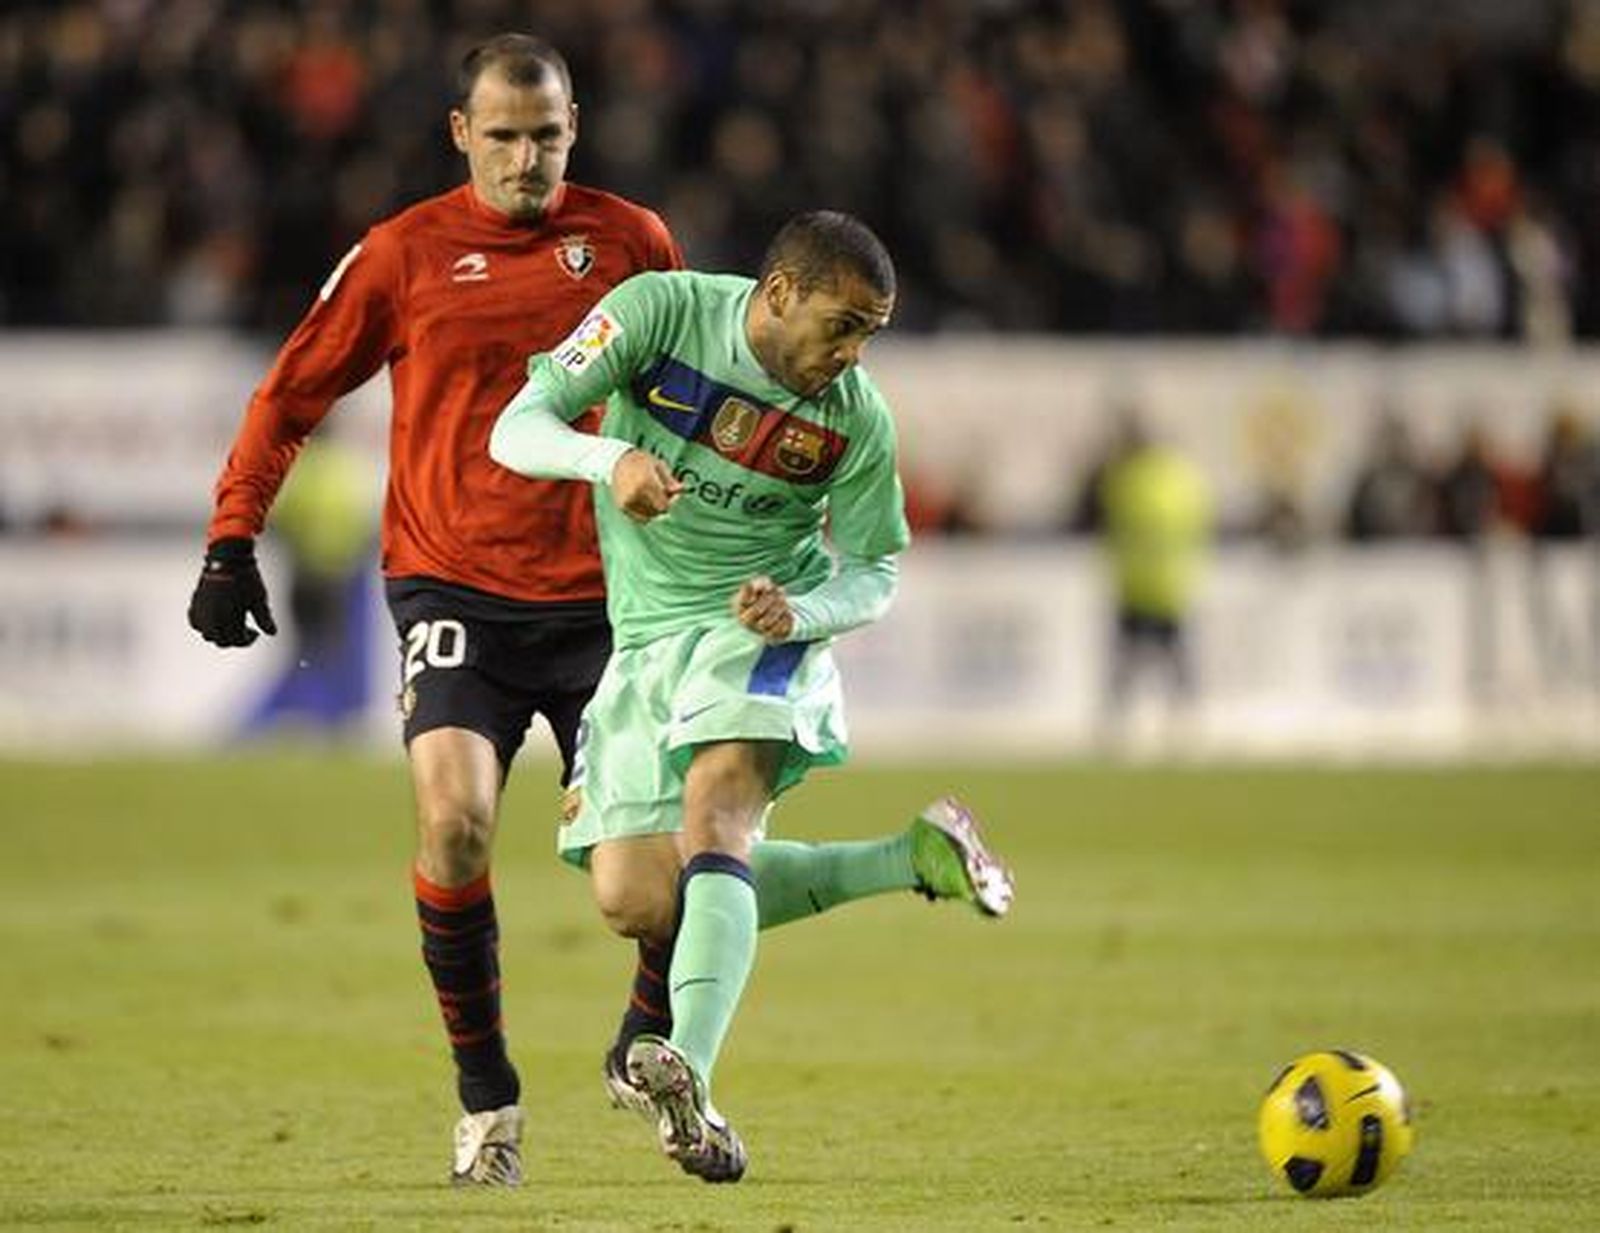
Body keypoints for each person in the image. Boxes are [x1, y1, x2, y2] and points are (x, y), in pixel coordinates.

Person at [186, 34, 684, 1187]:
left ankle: (644, 1035)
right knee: (454, 824)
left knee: (643, 891)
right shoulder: (402, 253)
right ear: (461, 133)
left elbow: (690, 401)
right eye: (502, 136)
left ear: (575, 128)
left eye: (546, 136)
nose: (525, 159)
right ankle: (486, 1100)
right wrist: (231, 536)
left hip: (612, 601)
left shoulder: (634, 243)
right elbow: (291, 393)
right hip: (453, 585)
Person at [489, 211, 1016, 1182]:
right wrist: (613, 459)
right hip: (646, 642)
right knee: (637, 896)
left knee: (718, 821)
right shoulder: (658, 314)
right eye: (843, 325)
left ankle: (688, 1073)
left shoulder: (855, 417)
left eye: (870, 334)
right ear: (779, 293)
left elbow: (876, 568)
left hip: (759, 629)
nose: (852, 354)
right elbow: (517, 426)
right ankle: (910, 856)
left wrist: (802, 610)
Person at [1093, 409, 1213, 736]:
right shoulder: (1182, 479)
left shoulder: (1125, 479)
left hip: (1137, 586)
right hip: (1168, 586)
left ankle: (1120, 725)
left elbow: (1106, 522)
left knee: (1129, 665)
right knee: (1172, 664)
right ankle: (1183, 724)